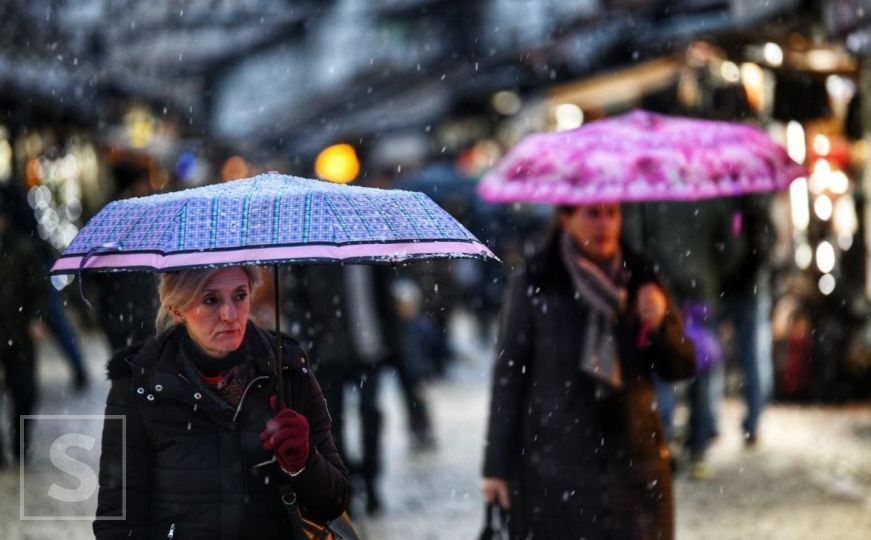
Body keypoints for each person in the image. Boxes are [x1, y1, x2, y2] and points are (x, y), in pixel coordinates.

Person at [481, 202, 695, 539]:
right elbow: (510, 376)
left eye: (612, 213)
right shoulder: (537, 281)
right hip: (556, 466)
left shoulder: (642, 278)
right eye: (592, 214)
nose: (605, 225)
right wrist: (497, 468)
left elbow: (681, 366)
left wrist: (661, 324)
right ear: (565, 219)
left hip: (635, 465)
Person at [93, 266, 349, 539]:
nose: (229, 314)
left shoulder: (287, 370)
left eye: (239, 295)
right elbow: (118, 519)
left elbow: (334, 502)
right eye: (210, 300)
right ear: (177, 308)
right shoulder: (139, 385)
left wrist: (303, 462)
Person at [284, 263, 401, 515]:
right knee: (332, 422)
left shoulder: (369, 249)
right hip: (329, 353)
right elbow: (295, 299)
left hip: (370, 347)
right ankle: (346, 485)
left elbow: (385, 295)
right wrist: (307, 340)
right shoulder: (312, 253)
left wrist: (395, 340)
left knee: (371, 413)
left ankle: (371, 481)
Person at [0, 189, 47, 466]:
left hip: (18, 332)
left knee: (24, 391)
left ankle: (19, 444)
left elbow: (38, 290)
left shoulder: (23, 250)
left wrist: (35, 319)